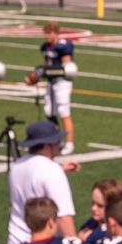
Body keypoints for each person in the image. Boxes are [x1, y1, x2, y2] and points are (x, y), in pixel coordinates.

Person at [6, 119, 77, 244]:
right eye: (57, 142)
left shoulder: (16, 166)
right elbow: (63, 217)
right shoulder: (52, 171)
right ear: (47, 145)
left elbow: (33, 180)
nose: (59, 145)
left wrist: (60, 169)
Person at [32, 23, 79, 155]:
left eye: (50, 33)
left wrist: (48, 72)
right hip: (51, 82)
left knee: (63, 111)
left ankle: (69, 143)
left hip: (62, 81)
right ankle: (56, 140)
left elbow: (67, 67)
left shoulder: (63, 46)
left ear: (56, 33)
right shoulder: (45, 47)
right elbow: (47, 64)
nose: (47, 36)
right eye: (46, 33)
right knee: (49, 111)